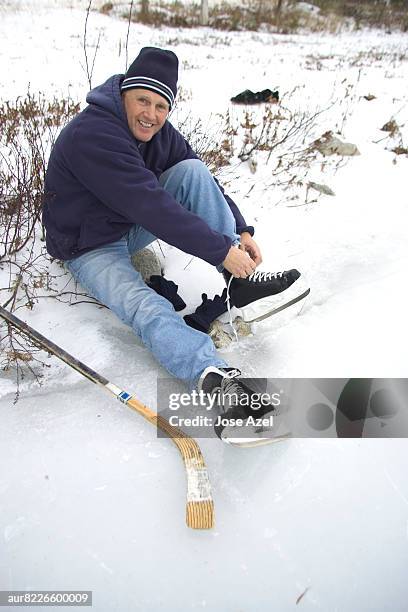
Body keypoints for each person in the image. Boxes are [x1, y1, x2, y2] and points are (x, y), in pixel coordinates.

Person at [43, 47, 308, 443]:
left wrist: (241, 232)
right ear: (123, 95)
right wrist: (220, 250)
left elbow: (198, 175)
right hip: (87, 245)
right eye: (143, 101)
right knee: (145, 306)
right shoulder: (93, 134)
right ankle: (212, 379)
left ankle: (239, 283)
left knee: (191, 171)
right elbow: (152, 206)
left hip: (123, 224)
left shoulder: (157, 131)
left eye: (162, 105)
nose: (151, 114)